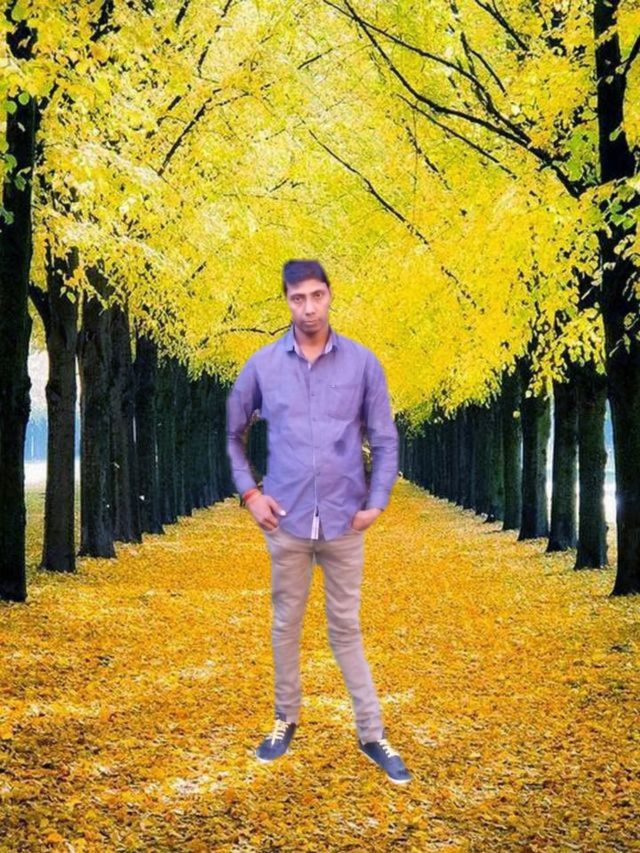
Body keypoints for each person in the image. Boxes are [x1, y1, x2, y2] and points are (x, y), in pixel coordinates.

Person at [225, 259, 412, 784]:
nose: (308, 308)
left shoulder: (363, 364)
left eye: (316, 296)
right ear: (286, 301)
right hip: (285, 522)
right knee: (285, 624)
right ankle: (285, 719)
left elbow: (385, 438)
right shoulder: (262, 366)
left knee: (346, 628)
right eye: (297, 298)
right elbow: (233, 435)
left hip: (344, 521)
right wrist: (251, 494)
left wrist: (377, 501)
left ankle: (372, 733)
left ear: (330, 295)